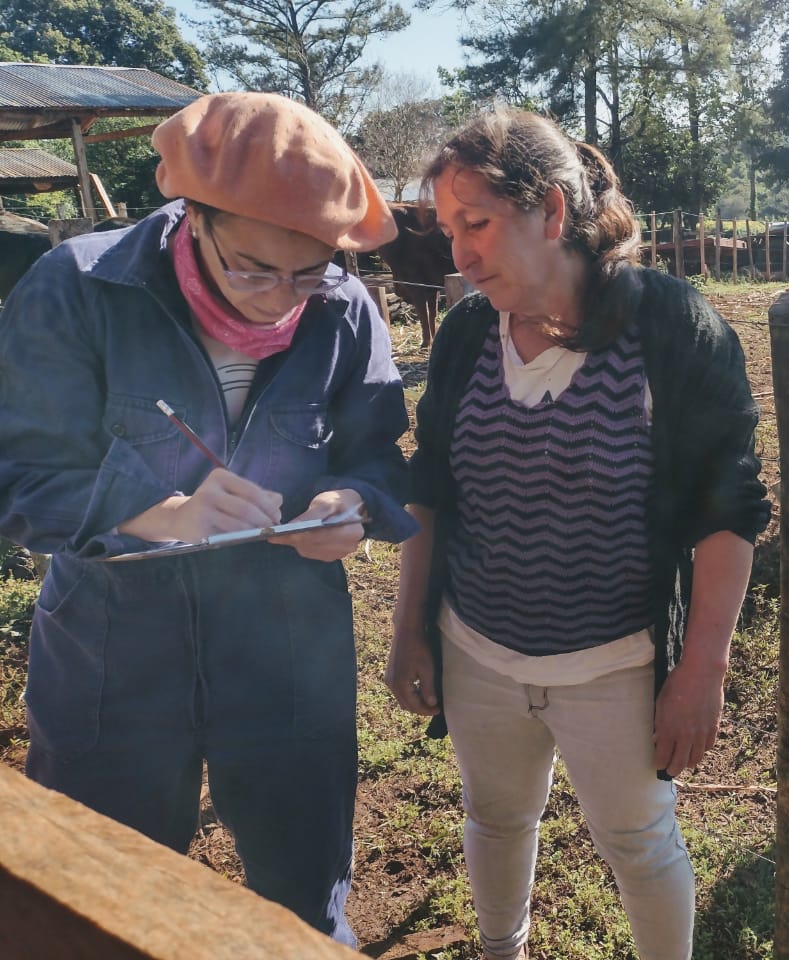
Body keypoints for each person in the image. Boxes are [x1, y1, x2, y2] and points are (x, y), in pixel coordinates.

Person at [0, 92, 419, 945]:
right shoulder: (79, 287)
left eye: (308, 274)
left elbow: (377, 458)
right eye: (253, 270)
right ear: (192, 219)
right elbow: (19, 474)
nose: (279, 300)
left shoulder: (343, 309)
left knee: (302, 903)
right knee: (99, 899)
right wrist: (161, 513)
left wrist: (352, 504)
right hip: (112, 652)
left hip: (289, 652)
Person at [385, 107, 771, 960]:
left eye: (477, 223)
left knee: (638, 842)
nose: (459, 255)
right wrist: (411, 626)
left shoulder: (669, 329)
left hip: (615, 662)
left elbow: (729, 508)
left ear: (553, 211)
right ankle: (502, 950)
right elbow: (430, 489)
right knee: (494, 816)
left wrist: (701, 670)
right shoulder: (466, 335)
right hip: (477, 648)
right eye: (450, 231)